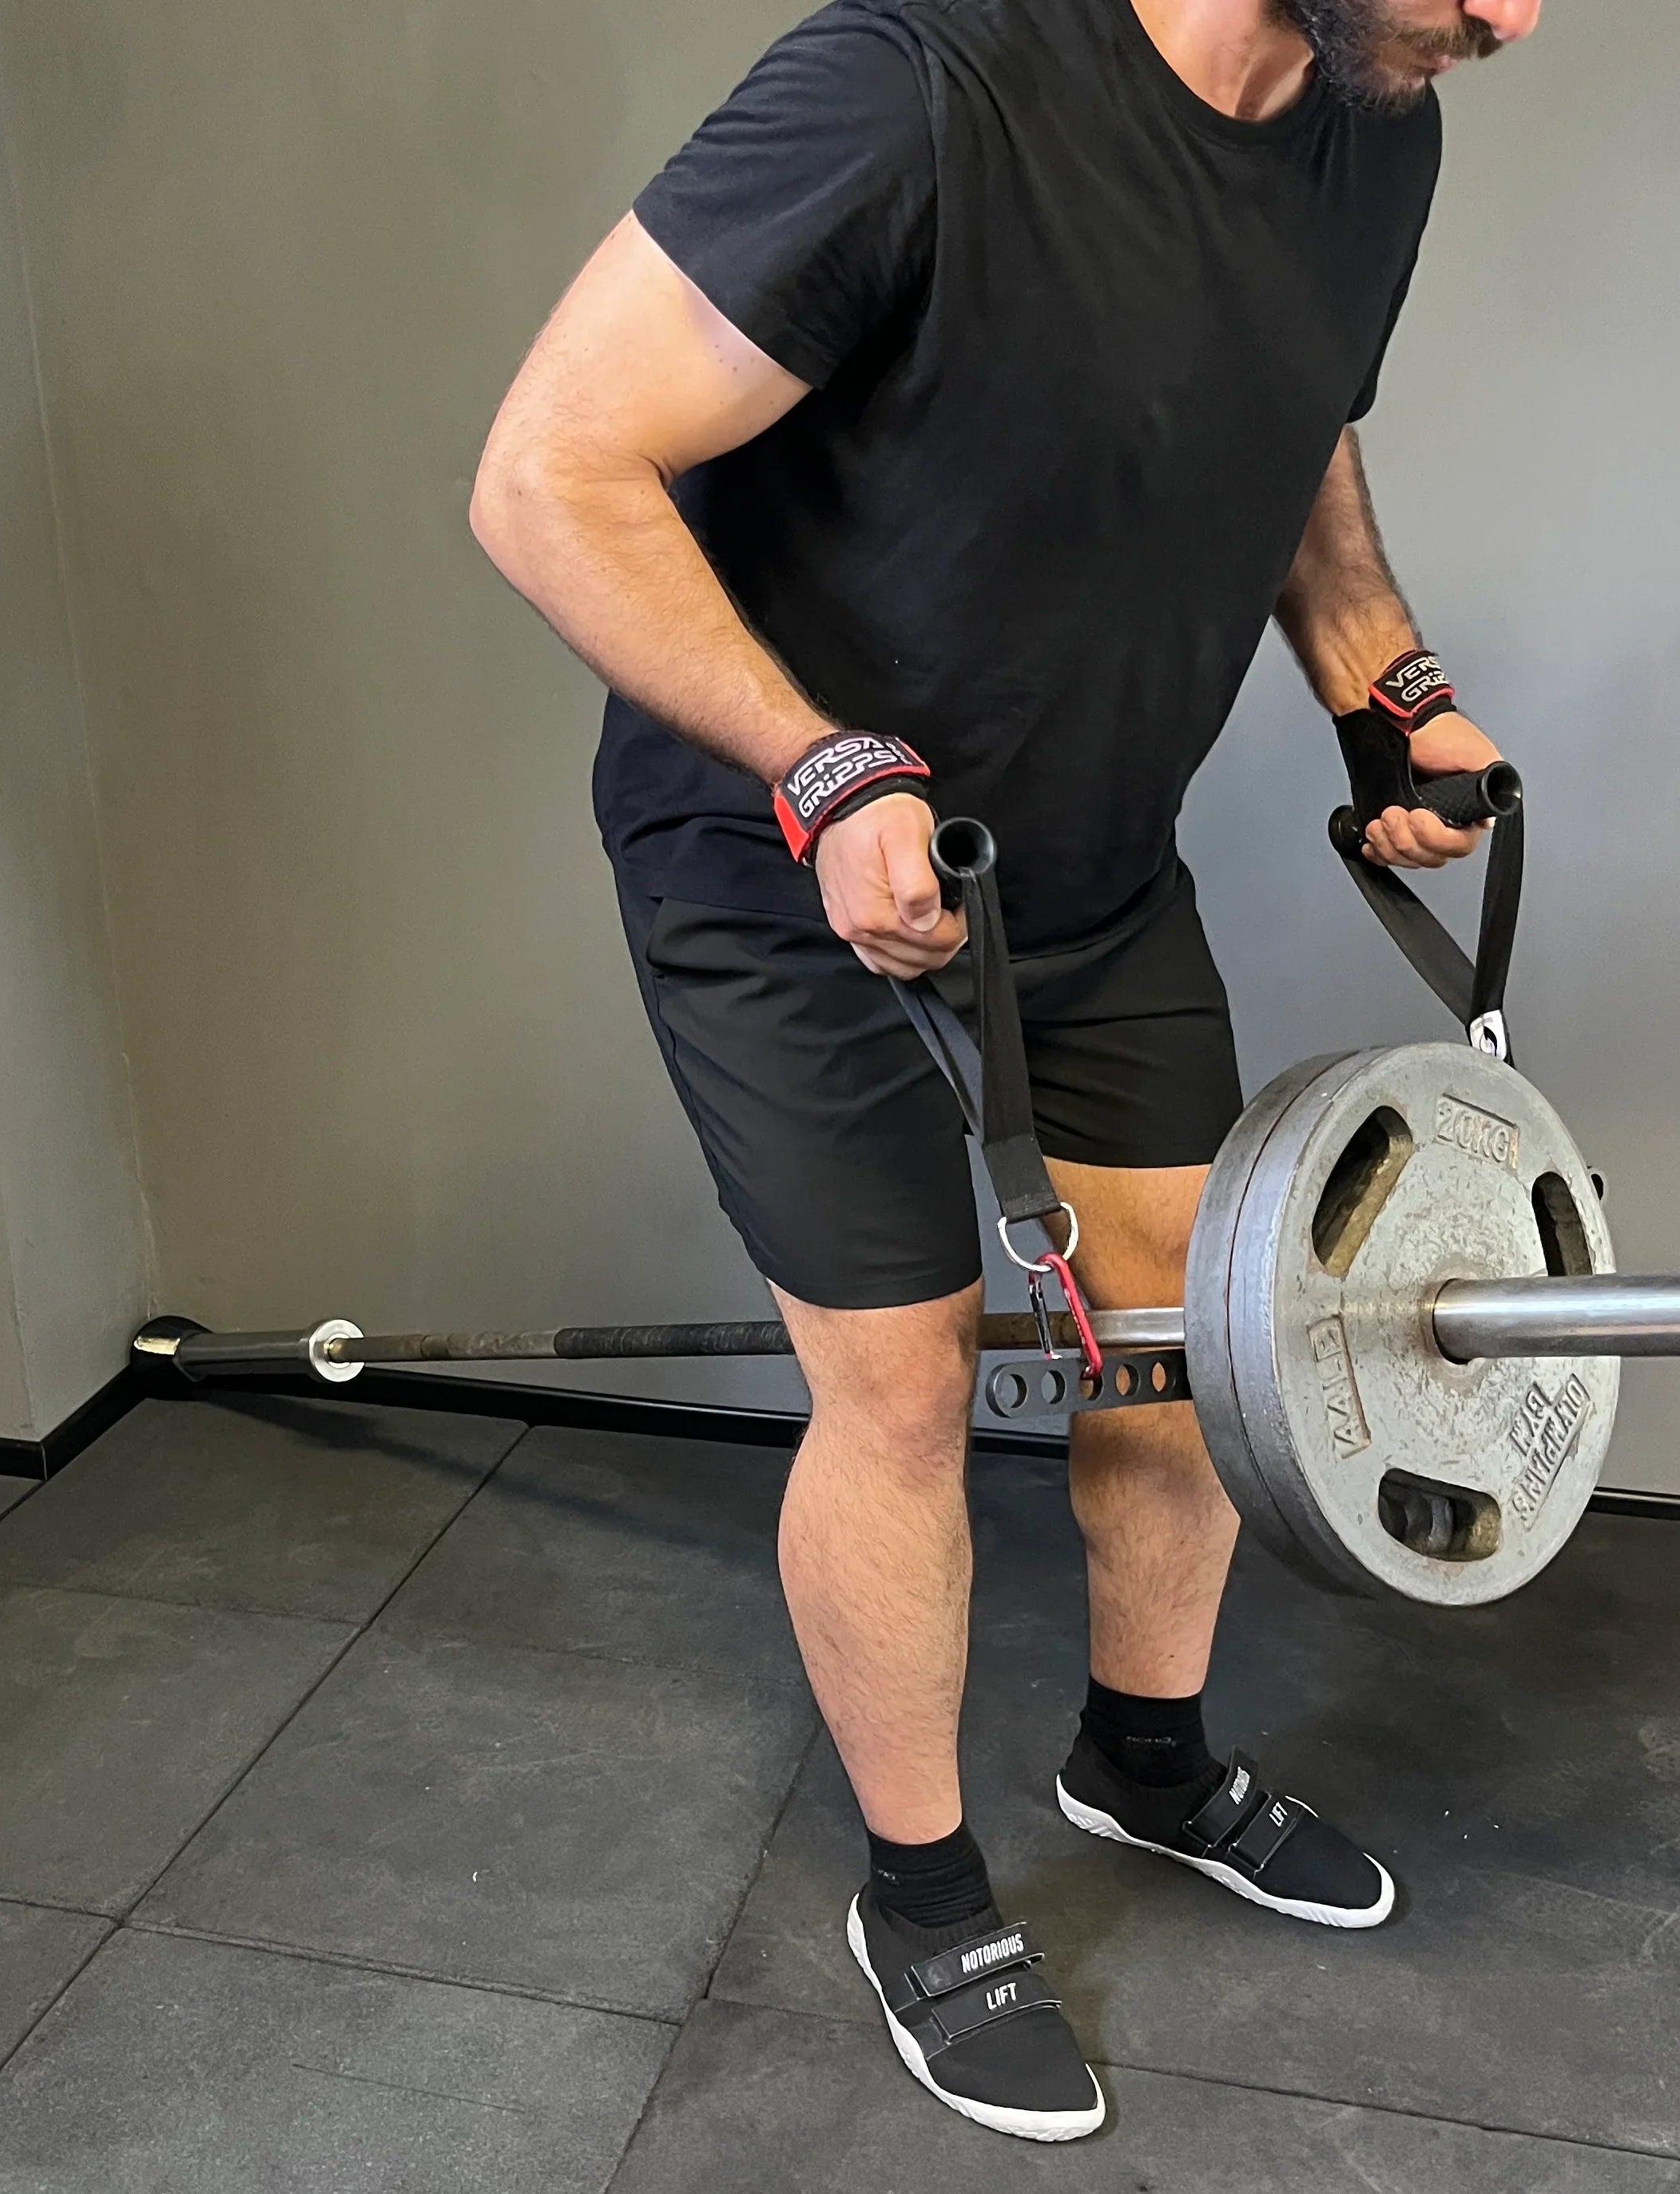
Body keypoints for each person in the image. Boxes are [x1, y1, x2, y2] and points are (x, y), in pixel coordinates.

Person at [474, 0, 1539, 2144]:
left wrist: (1383, 681)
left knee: (1186, 1339)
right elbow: (547, 467)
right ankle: (924, 1888)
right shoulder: (916, 92)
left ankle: (1137, 1757)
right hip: (783, 861)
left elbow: (1297, 429)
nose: (1507, 21)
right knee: (903, 1381)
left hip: (1077, 857)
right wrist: (815, 756)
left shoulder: (1367, 125)